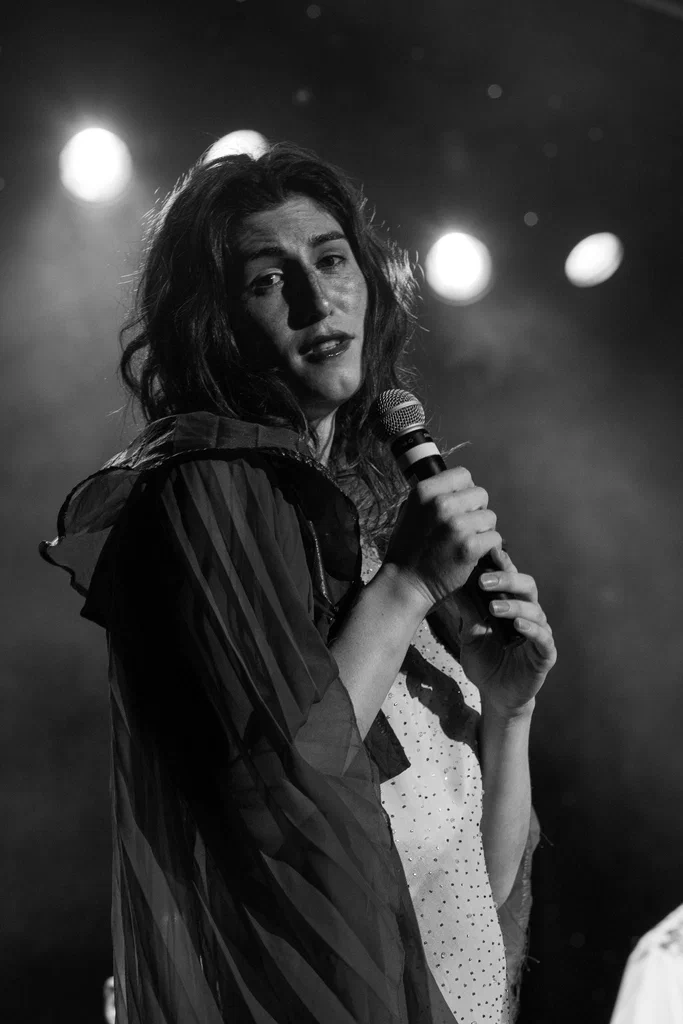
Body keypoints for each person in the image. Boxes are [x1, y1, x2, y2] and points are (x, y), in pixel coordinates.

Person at [40, 143, 556, 1024]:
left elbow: (469, 893)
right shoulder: (204, 496)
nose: (319, 301)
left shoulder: (379, 536)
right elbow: (276, 804)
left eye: (330, 260)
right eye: (267, 281)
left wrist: (509, 714)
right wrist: (403, 590)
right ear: (213, 322)